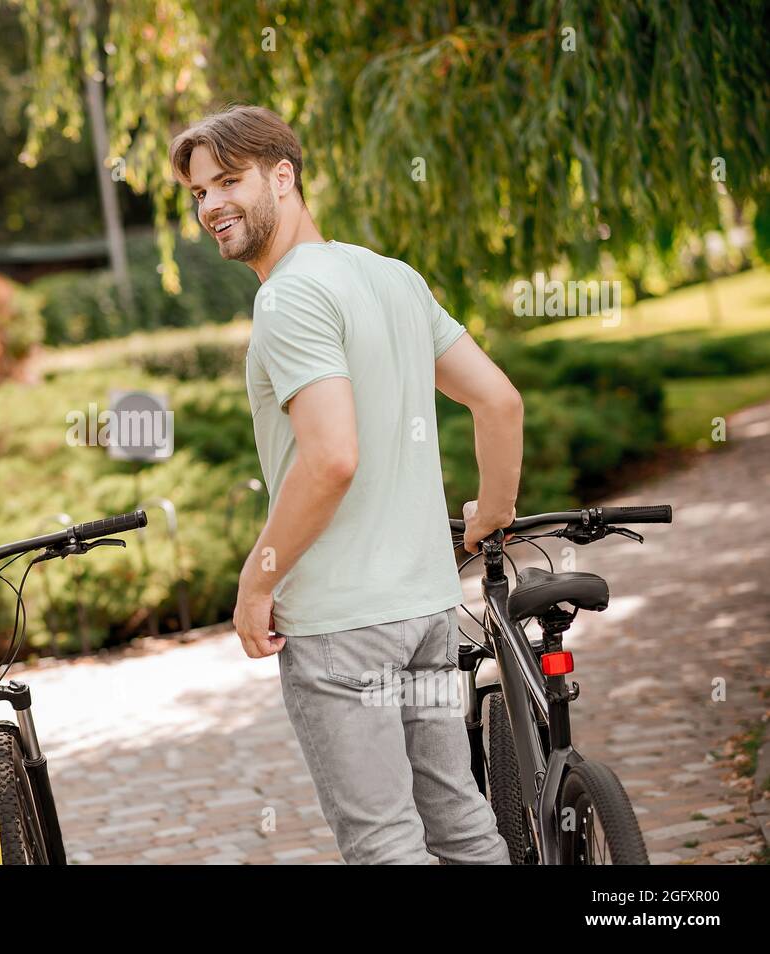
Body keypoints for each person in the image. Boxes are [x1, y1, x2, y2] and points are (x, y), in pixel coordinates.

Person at [169, 105, 522, 864]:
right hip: (428, 617)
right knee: (462, 826)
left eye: (228, 181)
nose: (211, 206)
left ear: (283, 176)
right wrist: (489, 517)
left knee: (385, 844)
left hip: (342, 636)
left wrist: (257, 579)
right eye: (199, 193)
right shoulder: (392, 278)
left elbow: (331, 457)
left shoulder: (288, 296)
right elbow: (499, 401)